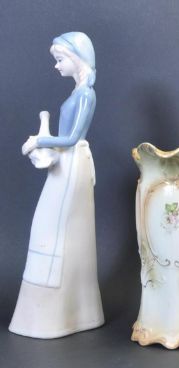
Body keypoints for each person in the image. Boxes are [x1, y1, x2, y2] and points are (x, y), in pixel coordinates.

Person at [11, 32, 102, 338]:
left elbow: (72, 138)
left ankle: (63, 310)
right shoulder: (78, 92)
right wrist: (45, 141)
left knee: (58, 231)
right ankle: (61, 310)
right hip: (65, 165)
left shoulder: (86, 94)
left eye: (60, 59)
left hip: (72, 165)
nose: (57, 65)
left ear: (77, 59)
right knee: (54, 231)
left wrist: (40, 141)